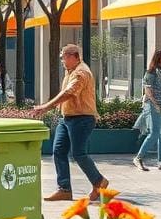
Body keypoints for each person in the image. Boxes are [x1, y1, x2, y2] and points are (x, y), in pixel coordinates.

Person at [33, 43, 108, 202]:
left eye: (63, 57)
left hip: (82, 118)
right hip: (67, 118)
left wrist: (46, 106)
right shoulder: (71, 71)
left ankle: (99, 182)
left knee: (79, 154)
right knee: (59, 151)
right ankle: (64, 189)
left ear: (73, 56)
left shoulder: (81, 73)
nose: (62, 60)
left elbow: (69, 93)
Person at [134, 49, 161, 171]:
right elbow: (148, 90)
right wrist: (155, 104)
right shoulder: (151, 72)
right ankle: (139, 158)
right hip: (152, 104)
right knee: (155, 133)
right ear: (159, 58)